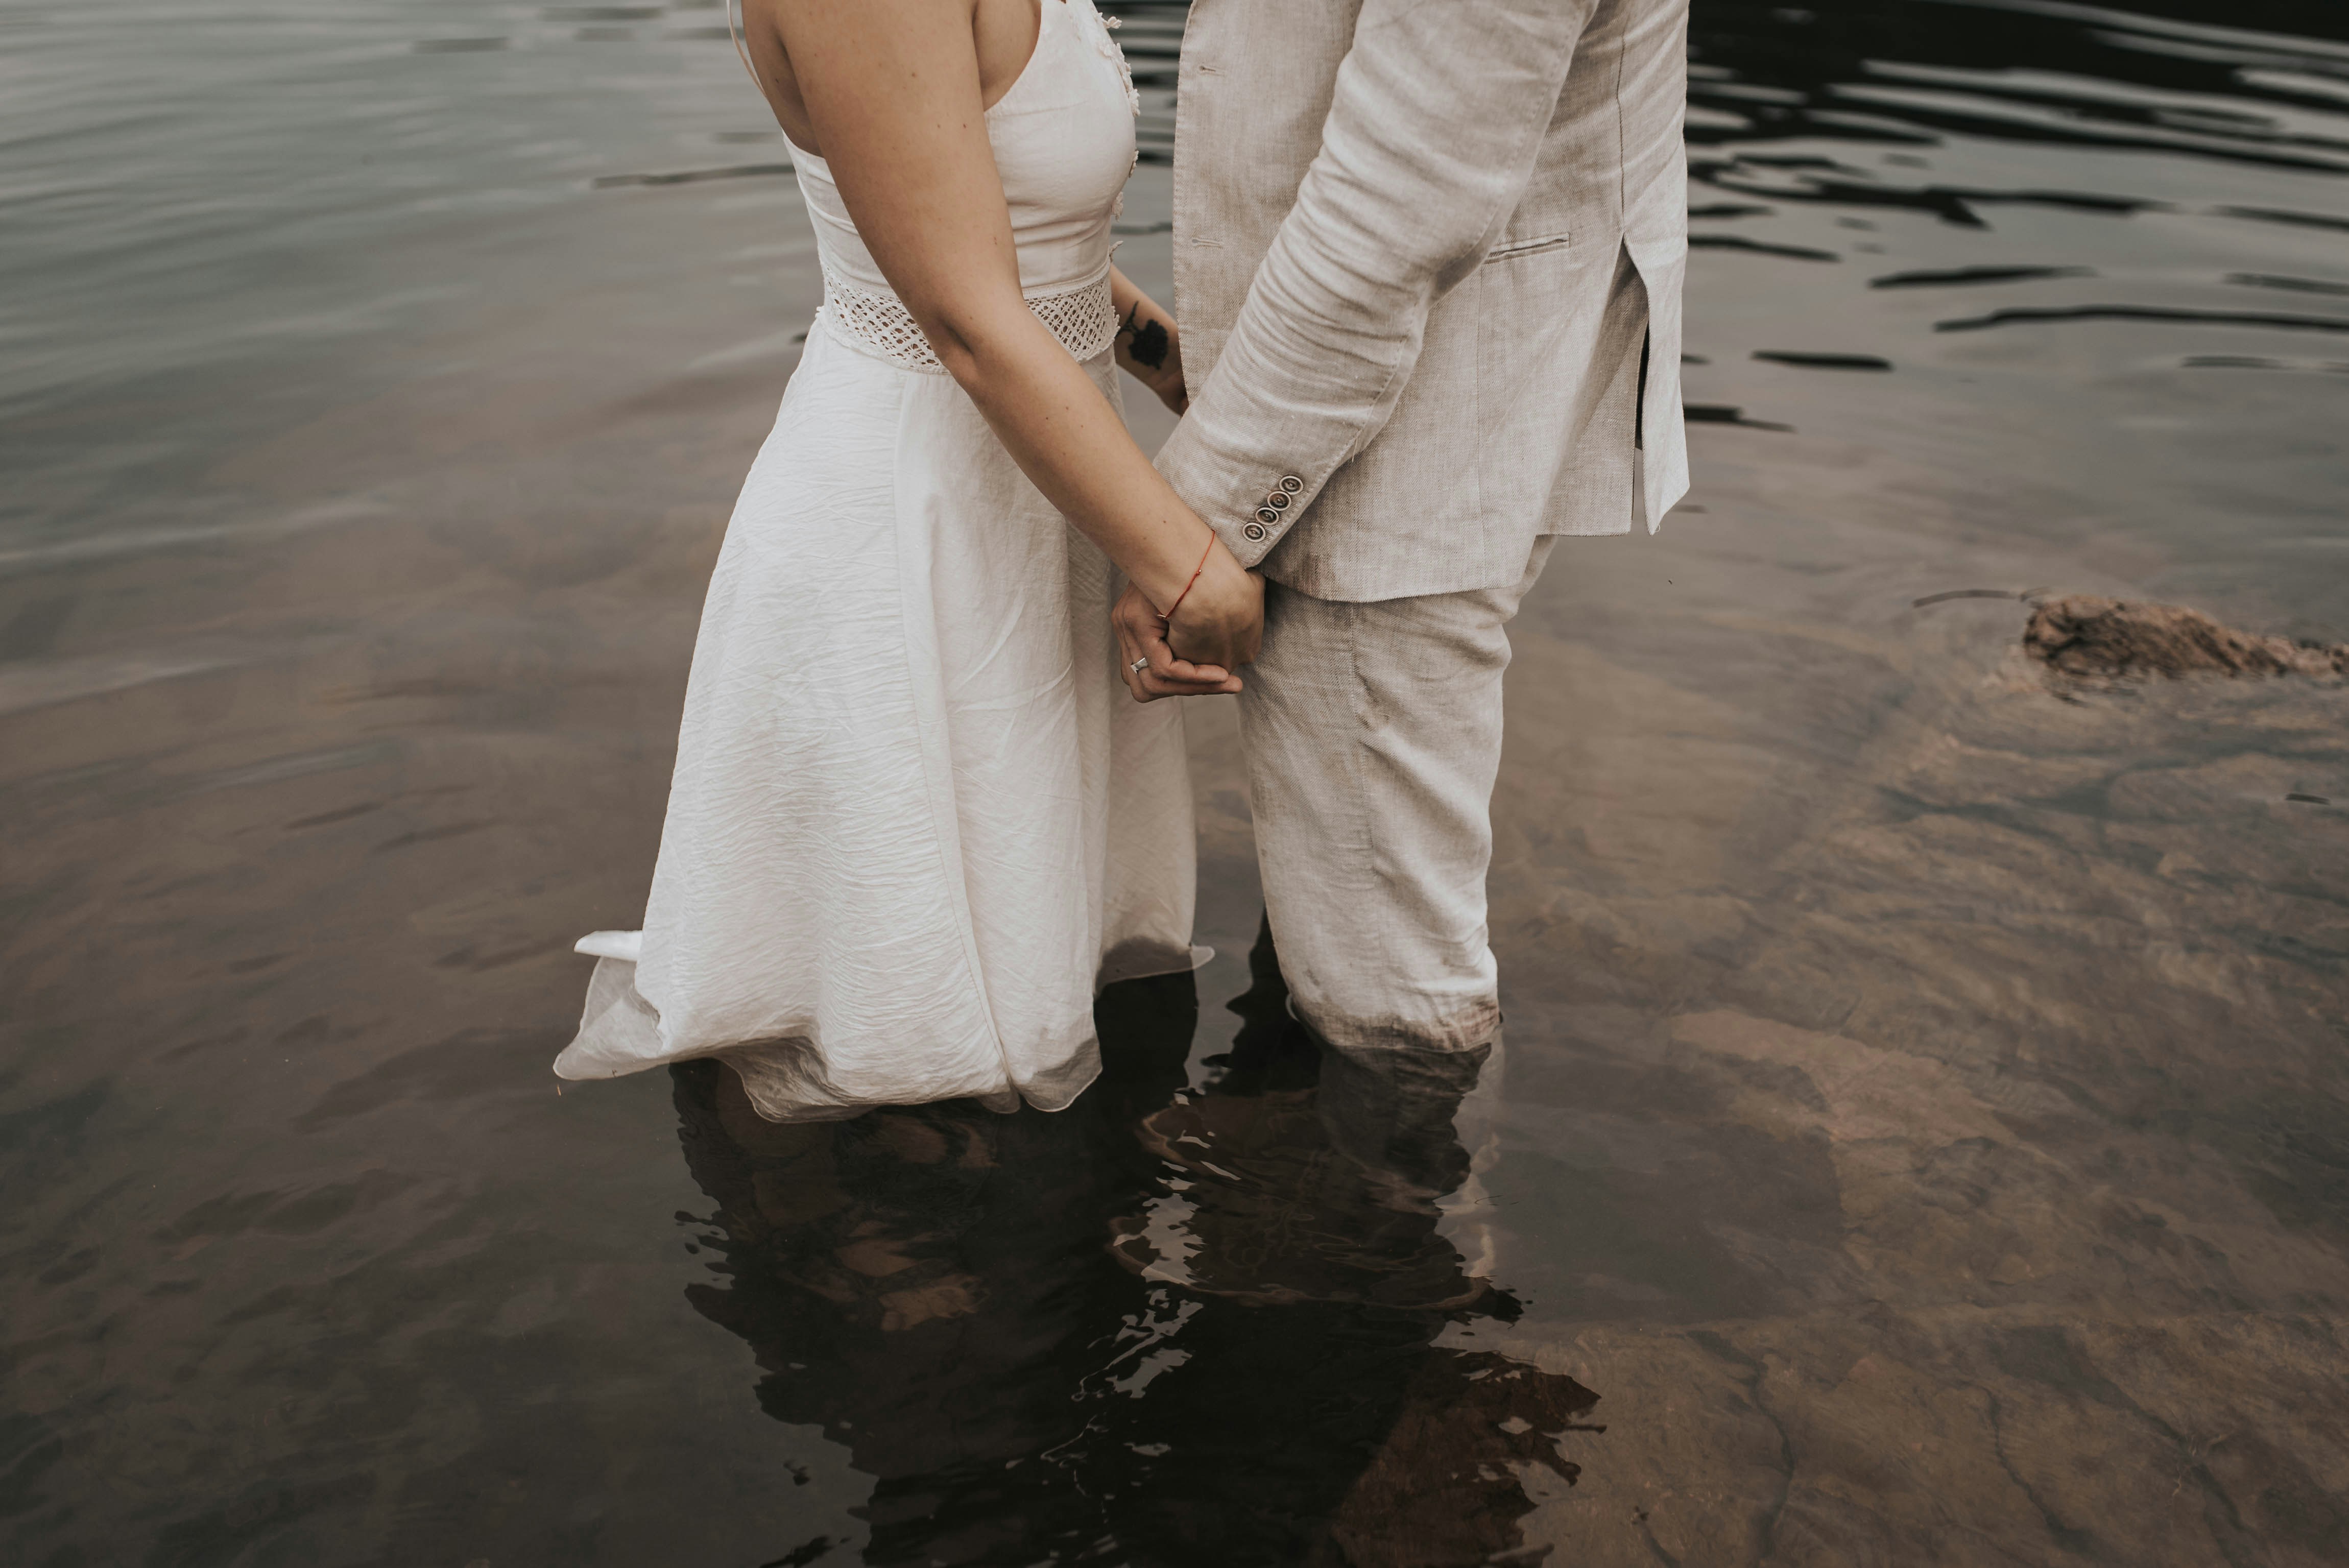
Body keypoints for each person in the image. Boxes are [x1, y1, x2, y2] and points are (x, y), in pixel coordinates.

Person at [557, 0, 1262, 1121]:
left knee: (1035, 931)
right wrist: (1189, 569)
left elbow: (1024, 244)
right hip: (917, 509)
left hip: (1042, 472)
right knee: (913, 1022)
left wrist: (1184, 380)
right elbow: (965, 314)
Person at [1115, 0, 1691, 1057]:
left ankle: (1399, 1214)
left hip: (1384, 458)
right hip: (1382, 410)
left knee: (1391, 1012)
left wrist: (1187, 531)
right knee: (1336, 934)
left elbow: (1396, 212)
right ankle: (1310, 1169)